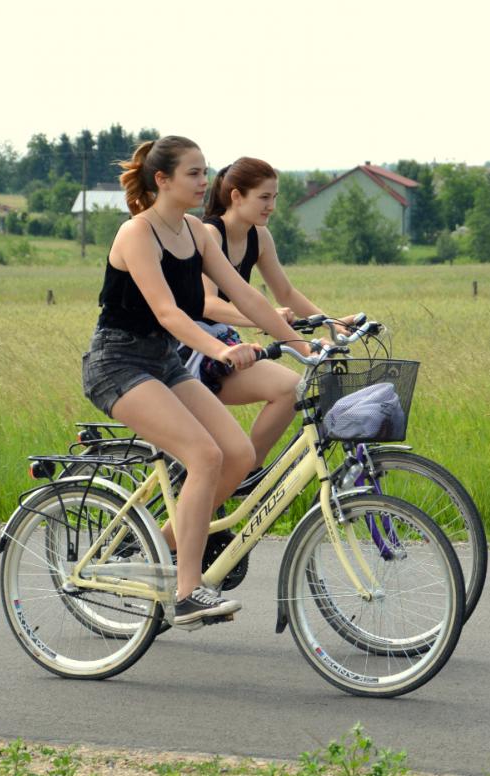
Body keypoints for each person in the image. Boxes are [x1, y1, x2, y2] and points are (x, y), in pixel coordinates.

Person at [81, 136, 309, 629]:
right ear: (162, 180)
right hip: (117, 363)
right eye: (194, 173)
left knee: (239, 455)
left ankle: (161, 546)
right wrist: (220, 349)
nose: (205, 181)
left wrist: (304, 346)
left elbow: (246, 296)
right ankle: (187, 592)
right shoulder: (137, 233)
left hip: (163, 361)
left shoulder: (195, 233)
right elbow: (168, 311)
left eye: (205, 171)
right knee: (205, 455)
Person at [179, 157, 356, 471]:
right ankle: (242, 474)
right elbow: (207, 304)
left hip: (224, 342)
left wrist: (333, 323)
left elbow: (286, 292)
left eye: (274, 197)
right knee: (286, 389)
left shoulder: (258, 236)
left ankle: (247, 476)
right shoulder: (211, 233)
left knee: (290, 389)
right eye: (263, 197)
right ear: (236, 196)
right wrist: (263, 317)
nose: (271, 206)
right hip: (190, 345)